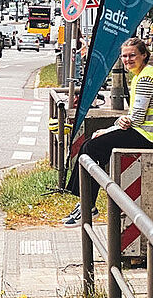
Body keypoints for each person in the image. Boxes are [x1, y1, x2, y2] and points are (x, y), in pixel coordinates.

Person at [64, 37, 153, 225]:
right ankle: (85, 203)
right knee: (91, 144)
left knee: (92, 147)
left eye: (132, 55)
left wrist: (111, 128)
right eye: (124, 56)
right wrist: (111, 128)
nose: (127, 60)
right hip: (142, 132)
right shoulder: (140, 74)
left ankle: (87, 205)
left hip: (147, 135)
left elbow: (135, 119)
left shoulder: (146, 77)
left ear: (144, 55)